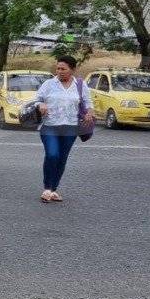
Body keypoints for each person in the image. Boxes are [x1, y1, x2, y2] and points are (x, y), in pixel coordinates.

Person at [33, 55, 94, 203]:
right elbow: (36, 99)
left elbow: (88, 102)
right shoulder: (49, 84)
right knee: (52, 154)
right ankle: (47, 188)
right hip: (50, 126)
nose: (60, 71)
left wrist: (89, 113)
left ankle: (53, 190)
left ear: (72, 70)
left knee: (62, 158)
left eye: (63, 69)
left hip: (71, 127)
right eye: (58, 68)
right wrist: (40, 105)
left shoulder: (80, 85)